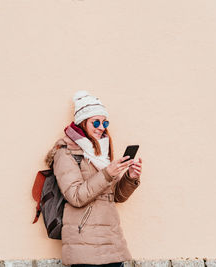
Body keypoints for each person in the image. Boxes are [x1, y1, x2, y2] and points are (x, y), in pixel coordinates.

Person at [45, 91, 143, 267]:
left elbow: (115, 197)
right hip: (84, 245)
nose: (101, 127)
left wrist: (130, 178)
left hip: (111, 243)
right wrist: (107, 173)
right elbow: (75, 196)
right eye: (95, 122)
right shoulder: (65, 152)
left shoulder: (101, 152)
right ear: (82, 122)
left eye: (104, 122)